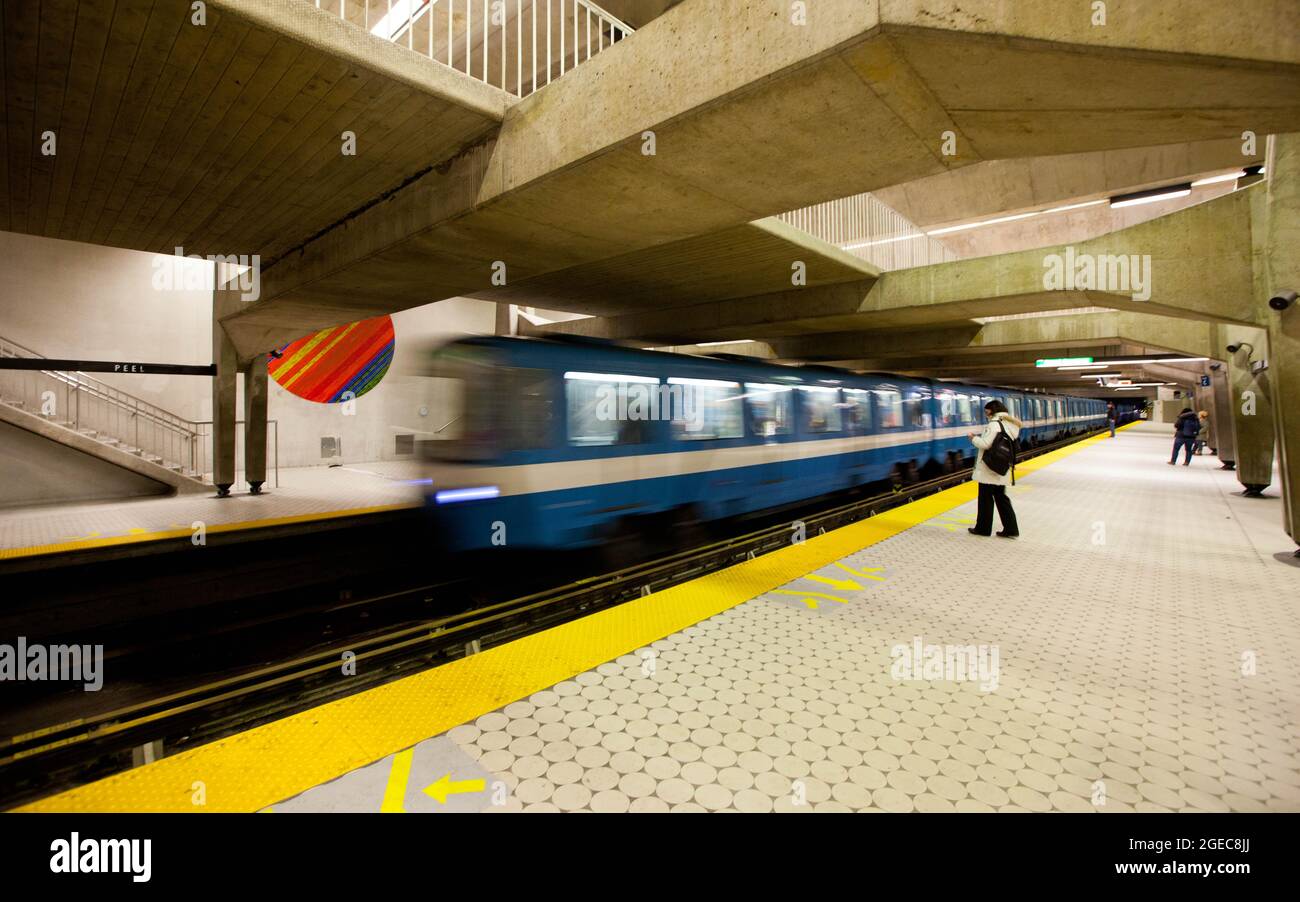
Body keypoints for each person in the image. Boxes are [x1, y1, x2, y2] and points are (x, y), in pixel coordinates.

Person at [968, 400, 1020, 538]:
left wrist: (973, 438)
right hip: (1002, 468)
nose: (986, 414)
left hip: (989, 468)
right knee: (1001, 498)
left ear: (992, 411)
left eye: (987, 411)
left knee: (985, 498)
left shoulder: (994, 425)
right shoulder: (1009, 425)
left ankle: (983, 529)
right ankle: (1011, 529)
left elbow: (985, 444)